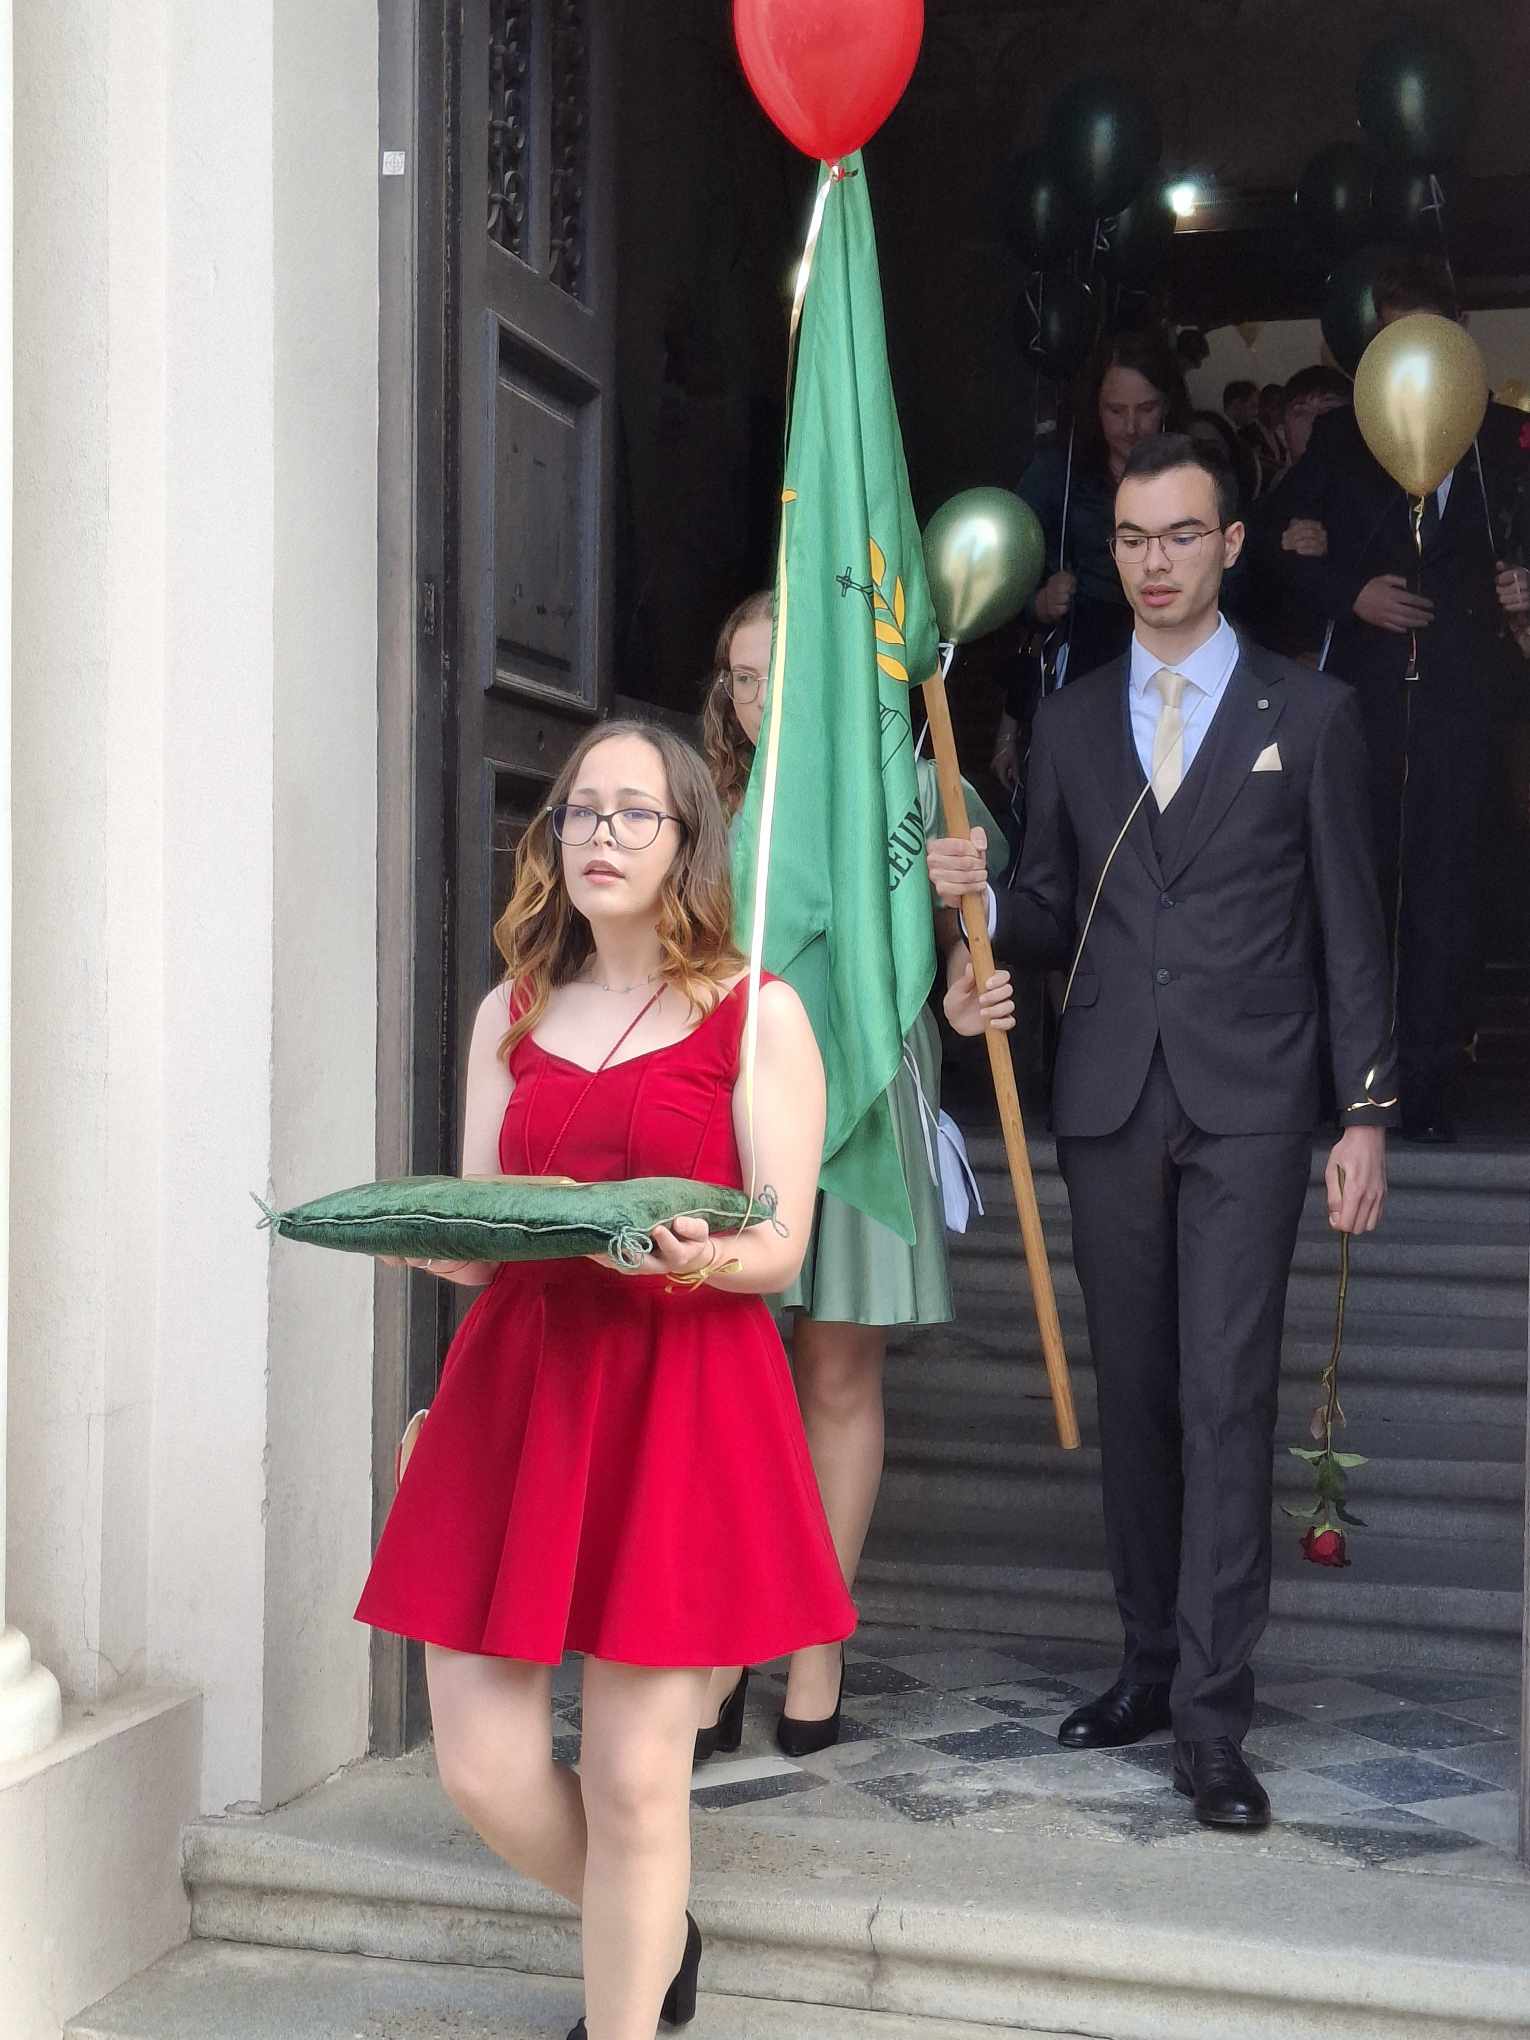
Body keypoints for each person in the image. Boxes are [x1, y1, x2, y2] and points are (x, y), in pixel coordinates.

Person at [927, 432, 1396, 1832]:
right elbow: (1054, 910)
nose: (1153, 562)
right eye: (1132, 538)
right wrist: (985, 902)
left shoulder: (1310, 714)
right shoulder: (1073, 723)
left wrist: (1363, 1114)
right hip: (1112, 1100)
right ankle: (1144, 1665)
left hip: (1254, 1104)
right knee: (1133, 1398)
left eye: (1182, 535)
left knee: (1224, 1395)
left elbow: (1351, 928)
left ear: (1231, 546)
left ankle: (1212, 1715)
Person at [356, 720, 852, 2040]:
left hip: (680, 1395)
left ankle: (623, 2012)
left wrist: (700, 1259)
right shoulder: (509, 1011)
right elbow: (489, 1229)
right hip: (516, 1396)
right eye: (580, 812)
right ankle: (654, 1930)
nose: (601, 837)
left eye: (635, 814)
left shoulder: (758, 1015)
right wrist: (420, 1236)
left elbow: (781, 1244)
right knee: (481, 1765)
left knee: (637, 1782)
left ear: (689, 841)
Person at [700, 591, 1006, 1756]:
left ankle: (815, 1642)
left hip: (865, 1095)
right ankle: (723, 1642)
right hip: (731, 1105)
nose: (759, 696)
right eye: (741, 677)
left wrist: (967, 936)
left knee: (835, 1375)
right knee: (730, 1377)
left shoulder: (913, 785)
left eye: (777, 671)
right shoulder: (707, 804)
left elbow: (979, 931)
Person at [1260, 256, 1530, 1140]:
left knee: (1448, 889)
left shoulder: (1505, 439)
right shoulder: (1343, 438)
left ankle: (1433, 1083)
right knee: (1356, 887)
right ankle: (1352, 1082)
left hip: (1464, 698)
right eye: (1386, 340)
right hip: (1364, 702)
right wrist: (1350, 592)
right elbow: (1265, 546)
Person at [990, 329, 1192, 794]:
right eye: (1115, 411)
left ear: (1168, 405)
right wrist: (1038, 601)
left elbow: (1237, 577)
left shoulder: (1195, 472)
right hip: (1084, 652)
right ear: (1093, 408)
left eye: (1146, 409)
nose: (1131, 426)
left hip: (1173, 654)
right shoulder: (1059, 473)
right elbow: (1005, 566)